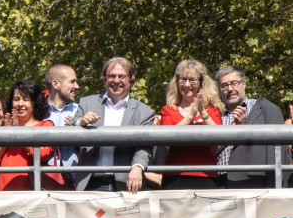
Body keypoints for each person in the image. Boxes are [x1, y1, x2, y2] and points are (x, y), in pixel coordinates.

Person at [74, 57, 155, 193]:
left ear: (131, 80)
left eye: (121, 76)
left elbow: (145, 147)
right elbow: (67, 134)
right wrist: (81, 122)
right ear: (105, 79)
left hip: (125, 183)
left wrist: (137, 167)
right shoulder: (86, 103)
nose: (116, 81)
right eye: (111, 76)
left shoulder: (144, 112)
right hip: (90, 183)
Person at [216, 66, 290, 188]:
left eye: (234, 83)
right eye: (224, 86)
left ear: (243, 84)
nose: (230, 89)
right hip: (219, 182)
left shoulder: (265, 109)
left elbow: (277, 153)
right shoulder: (215, 113)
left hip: (251, 182)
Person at [159, 60, 224, 190]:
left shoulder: (212, 110)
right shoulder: (168, 110)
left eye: (192, 80)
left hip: (206, 174)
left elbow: (220, 137)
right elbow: (166, 138)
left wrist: (203, 113)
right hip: (174, 175)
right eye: (183, 80)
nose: (187, 85)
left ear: (201, 83)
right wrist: (190, 116)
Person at [0, 80, 54, 191]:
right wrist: (8, 133)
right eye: (16, 99)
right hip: (4, 193)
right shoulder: (6, 126)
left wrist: (18, 133)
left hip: (31, 194)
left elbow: (43, 153)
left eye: (25, 99)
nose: (20, 104)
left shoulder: (45, 125)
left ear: (34, 102)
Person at [44, 64, 80, 188]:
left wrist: (81, 127)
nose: (77, 86)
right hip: (42, 184)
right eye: (72, 82)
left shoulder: (80, 112)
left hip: (76, 186)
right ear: (56, 84)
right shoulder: (36, 112)